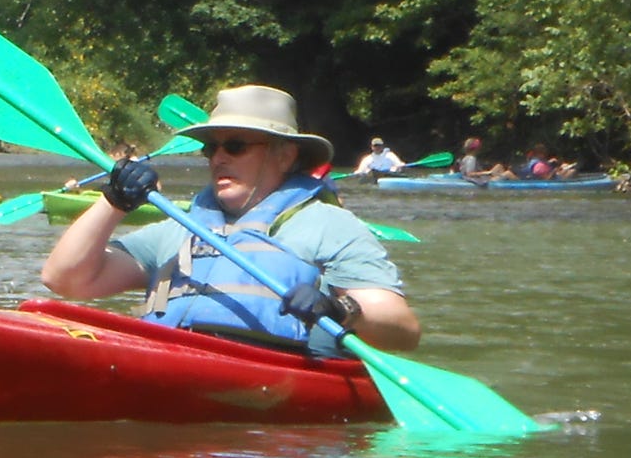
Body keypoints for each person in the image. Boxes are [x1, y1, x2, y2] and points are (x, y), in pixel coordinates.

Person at [39, 84, 418, 355]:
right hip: (173, 364)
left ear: (285, 156)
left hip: (279, 379)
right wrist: (114, 201)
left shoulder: (330, 227)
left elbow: (403, 330)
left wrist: (340, 309)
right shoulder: (180, 229)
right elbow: (65, 279)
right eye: (211, 148)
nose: (219, 158)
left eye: (236, 146)